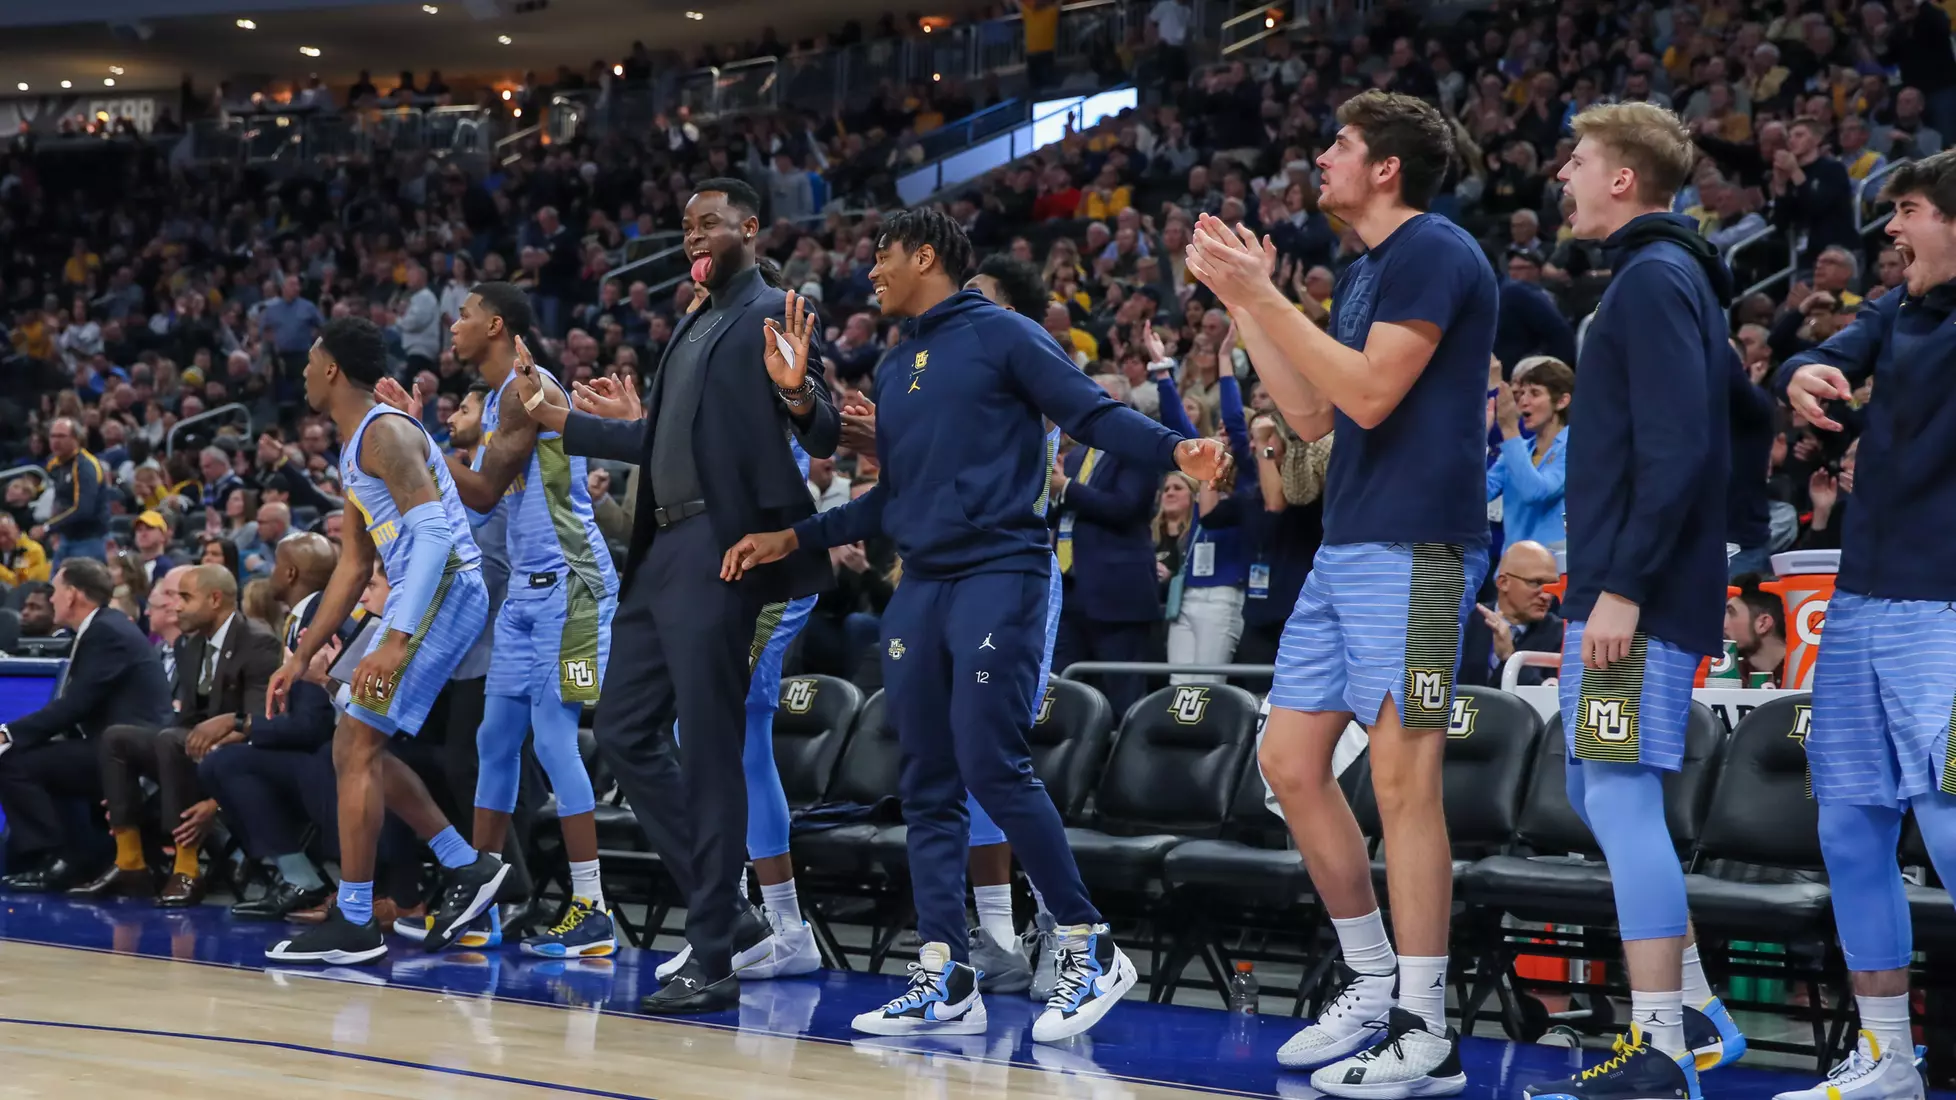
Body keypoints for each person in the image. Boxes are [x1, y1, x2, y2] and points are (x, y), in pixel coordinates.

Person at [722, 208, 1229, 1042]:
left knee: (991, 762)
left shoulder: (1006, 335)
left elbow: (1089, 416)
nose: (871, 271)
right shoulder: (892, 364)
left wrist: (1178, 449)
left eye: (882, 257)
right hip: (921, 582)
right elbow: (896, 496)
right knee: (924, 777)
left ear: (926, 255)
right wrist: (799, 535)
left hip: (1001, 573)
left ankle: (1087, 941)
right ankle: (946, 971)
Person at [1183, 89, 1494, 1095]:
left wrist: (1267, 298)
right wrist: (1245, 302)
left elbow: (1370, 391)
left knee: (1404, 784)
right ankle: (1368, 979)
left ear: (1387, 167)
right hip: (1349, 541)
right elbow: (1316, 415)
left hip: (1418, 549)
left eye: (1340, 147)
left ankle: (1425, 1020)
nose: (1321, 159)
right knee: (1289, 760)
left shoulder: (1437, 251)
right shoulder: (1365, 270)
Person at [514, 178, 841, 1016]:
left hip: (721, 551)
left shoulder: (772, 309)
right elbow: (656, 439)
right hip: (663, 553)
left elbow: (824, 427)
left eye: (709, 223)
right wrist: (558, 419)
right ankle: (726, 916)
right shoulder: (695, 320)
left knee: (709, 745)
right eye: (686, 225)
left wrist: (802, 394)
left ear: (751, 228)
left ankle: (712, 953)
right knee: (622, 732)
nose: (693, 235)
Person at [1522, 102, 1749, 1100]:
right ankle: (1694, 1004)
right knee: (1595, 789)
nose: (1562, 174)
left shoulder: (1654, 279)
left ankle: (1659, 1050)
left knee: (1616, 790)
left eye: (1578, 162)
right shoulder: (1675, 275)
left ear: (1622, 180)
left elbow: (1679, 447)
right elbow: (1742, 407)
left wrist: (1621, 589)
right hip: (1636, 584)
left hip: (1634, 596)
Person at [1769, 148, 1956, 1100]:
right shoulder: (1898, 311)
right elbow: (1821, 358)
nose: (1891, 231)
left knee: (1954, 824)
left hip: (1950, 618)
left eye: (1910, 211)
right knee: (1850, 827)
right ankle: (1888, 1059)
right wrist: (1803, 374)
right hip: (1861, 605)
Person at [260, 316, 500, 967]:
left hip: (441, 590)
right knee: (352, 740)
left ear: (332, 368)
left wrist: (394, 641)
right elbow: (352, 565)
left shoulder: (387, 433)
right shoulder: (353, 446)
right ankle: (465, 867)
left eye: (311, 361)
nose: (304, 373)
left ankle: (357, 920)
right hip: (420, 596)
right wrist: (301, 654)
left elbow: (435, 539)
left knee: (358, 741)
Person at [427, 280, 620, 960]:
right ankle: (484, 899)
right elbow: (487, 500)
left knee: (553, 738)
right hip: (525, 595)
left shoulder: (524, 389)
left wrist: (417, 447)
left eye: (465, 315)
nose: (454, 326)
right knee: (494, 738)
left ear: (498, 324)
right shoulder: (500, 401)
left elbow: (476, 493)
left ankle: (593, 908)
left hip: (574, 586)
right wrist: (463, 441)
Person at [76, 563, 281, 906]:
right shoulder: (191, 645)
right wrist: (136, 789)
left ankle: (187, 869)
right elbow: (185, 720)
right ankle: (130, 862)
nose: (177, 606)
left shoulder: (258, 644)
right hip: (192, 755)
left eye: (185, 597)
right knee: (118, 738)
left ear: (215, 599)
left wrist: (215, 803)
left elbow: (259, 725)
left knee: (173, 740)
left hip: (241, 759)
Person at [0, 559, 173, 891]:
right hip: (116, 745)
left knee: (14, 761)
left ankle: (57, 859)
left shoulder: (106, 631)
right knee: (42, 758)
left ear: (73, 594)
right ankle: (72, 856)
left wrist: (8, 733)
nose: (50, 599)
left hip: (131, 754)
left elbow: (74, 706)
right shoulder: (102, 627)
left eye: (55, 590)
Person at [1485, 356, 1573, 552]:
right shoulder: (1519, 448)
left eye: (1534, 393)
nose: (1523, 401)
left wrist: (1509, 428)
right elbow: (1478, 494)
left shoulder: (1576, 446)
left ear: (1561, 401)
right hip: (1512, 568)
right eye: (1522, 393)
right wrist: (1478, 438)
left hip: (1552, 570)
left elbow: (1536, 492)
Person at [1461, 540, 1565, 688]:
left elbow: (1550, 700)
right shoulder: (1467, 622)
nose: (1546, 596)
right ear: (1503, 583)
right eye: (1536, 583)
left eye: (1552, 585)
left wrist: (1509, 657)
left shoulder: (1560, 635)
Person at [40, 417, 109, 565]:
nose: (55, 441)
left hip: (89, 540)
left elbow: (83, 509)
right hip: (66, 539)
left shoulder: (85, 466)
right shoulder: (54, 464)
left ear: (76, 438)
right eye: (52, 436)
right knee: (53, 587)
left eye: (61, 436)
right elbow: (60, 499)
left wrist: (49, 527)